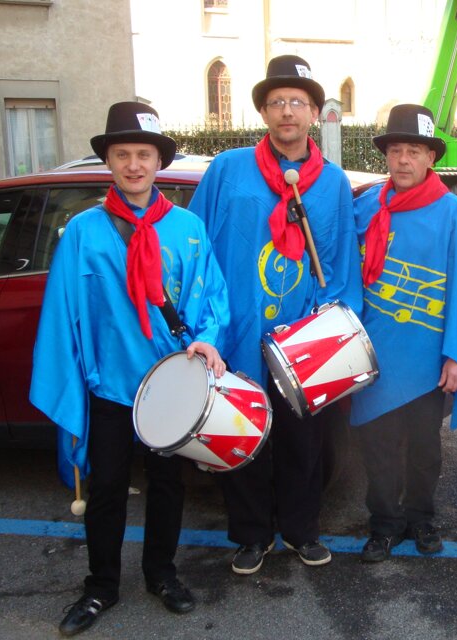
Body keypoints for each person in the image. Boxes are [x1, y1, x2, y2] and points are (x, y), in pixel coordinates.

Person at [30, 102, 229, 636]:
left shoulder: (188, 228)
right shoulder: (83, 232)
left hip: (170, 385)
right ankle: (101, 586)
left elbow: (212, 298)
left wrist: (208, 340)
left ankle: (161, 573)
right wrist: (73, 373)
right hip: (111, 386)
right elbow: (63, 313)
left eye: (144, 154)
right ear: (109, 161)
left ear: (159, 161)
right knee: (108, 488)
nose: (134, 165)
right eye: (123, 154)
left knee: (167, 485)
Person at [188, 55, 362, 573]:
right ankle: (250, 535)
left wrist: (330, 331)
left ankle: (301, 530)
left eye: (298, 102)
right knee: (241, 435)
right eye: (277, 102)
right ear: (264, 112)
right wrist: (203, 322)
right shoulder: (228, 169)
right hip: (237, 329)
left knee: (303, 441)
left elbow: (342, 261)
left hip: (302, 338)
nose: (288, 111)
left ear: (314, 113)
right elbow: (196, 246)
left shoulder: (332, 183)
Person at [351, 104, 457, 562]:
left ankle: (422, 519)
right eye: (396, 150)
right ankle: (384, 524)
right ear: (386, 155)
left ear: (431, 158)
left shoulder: (453, 213)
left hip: (427, 355)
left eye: (414, 151)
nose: (404, 160)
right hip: (374, 353)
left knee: (424, 448)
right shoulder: (367, 206)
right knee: (378, 447)